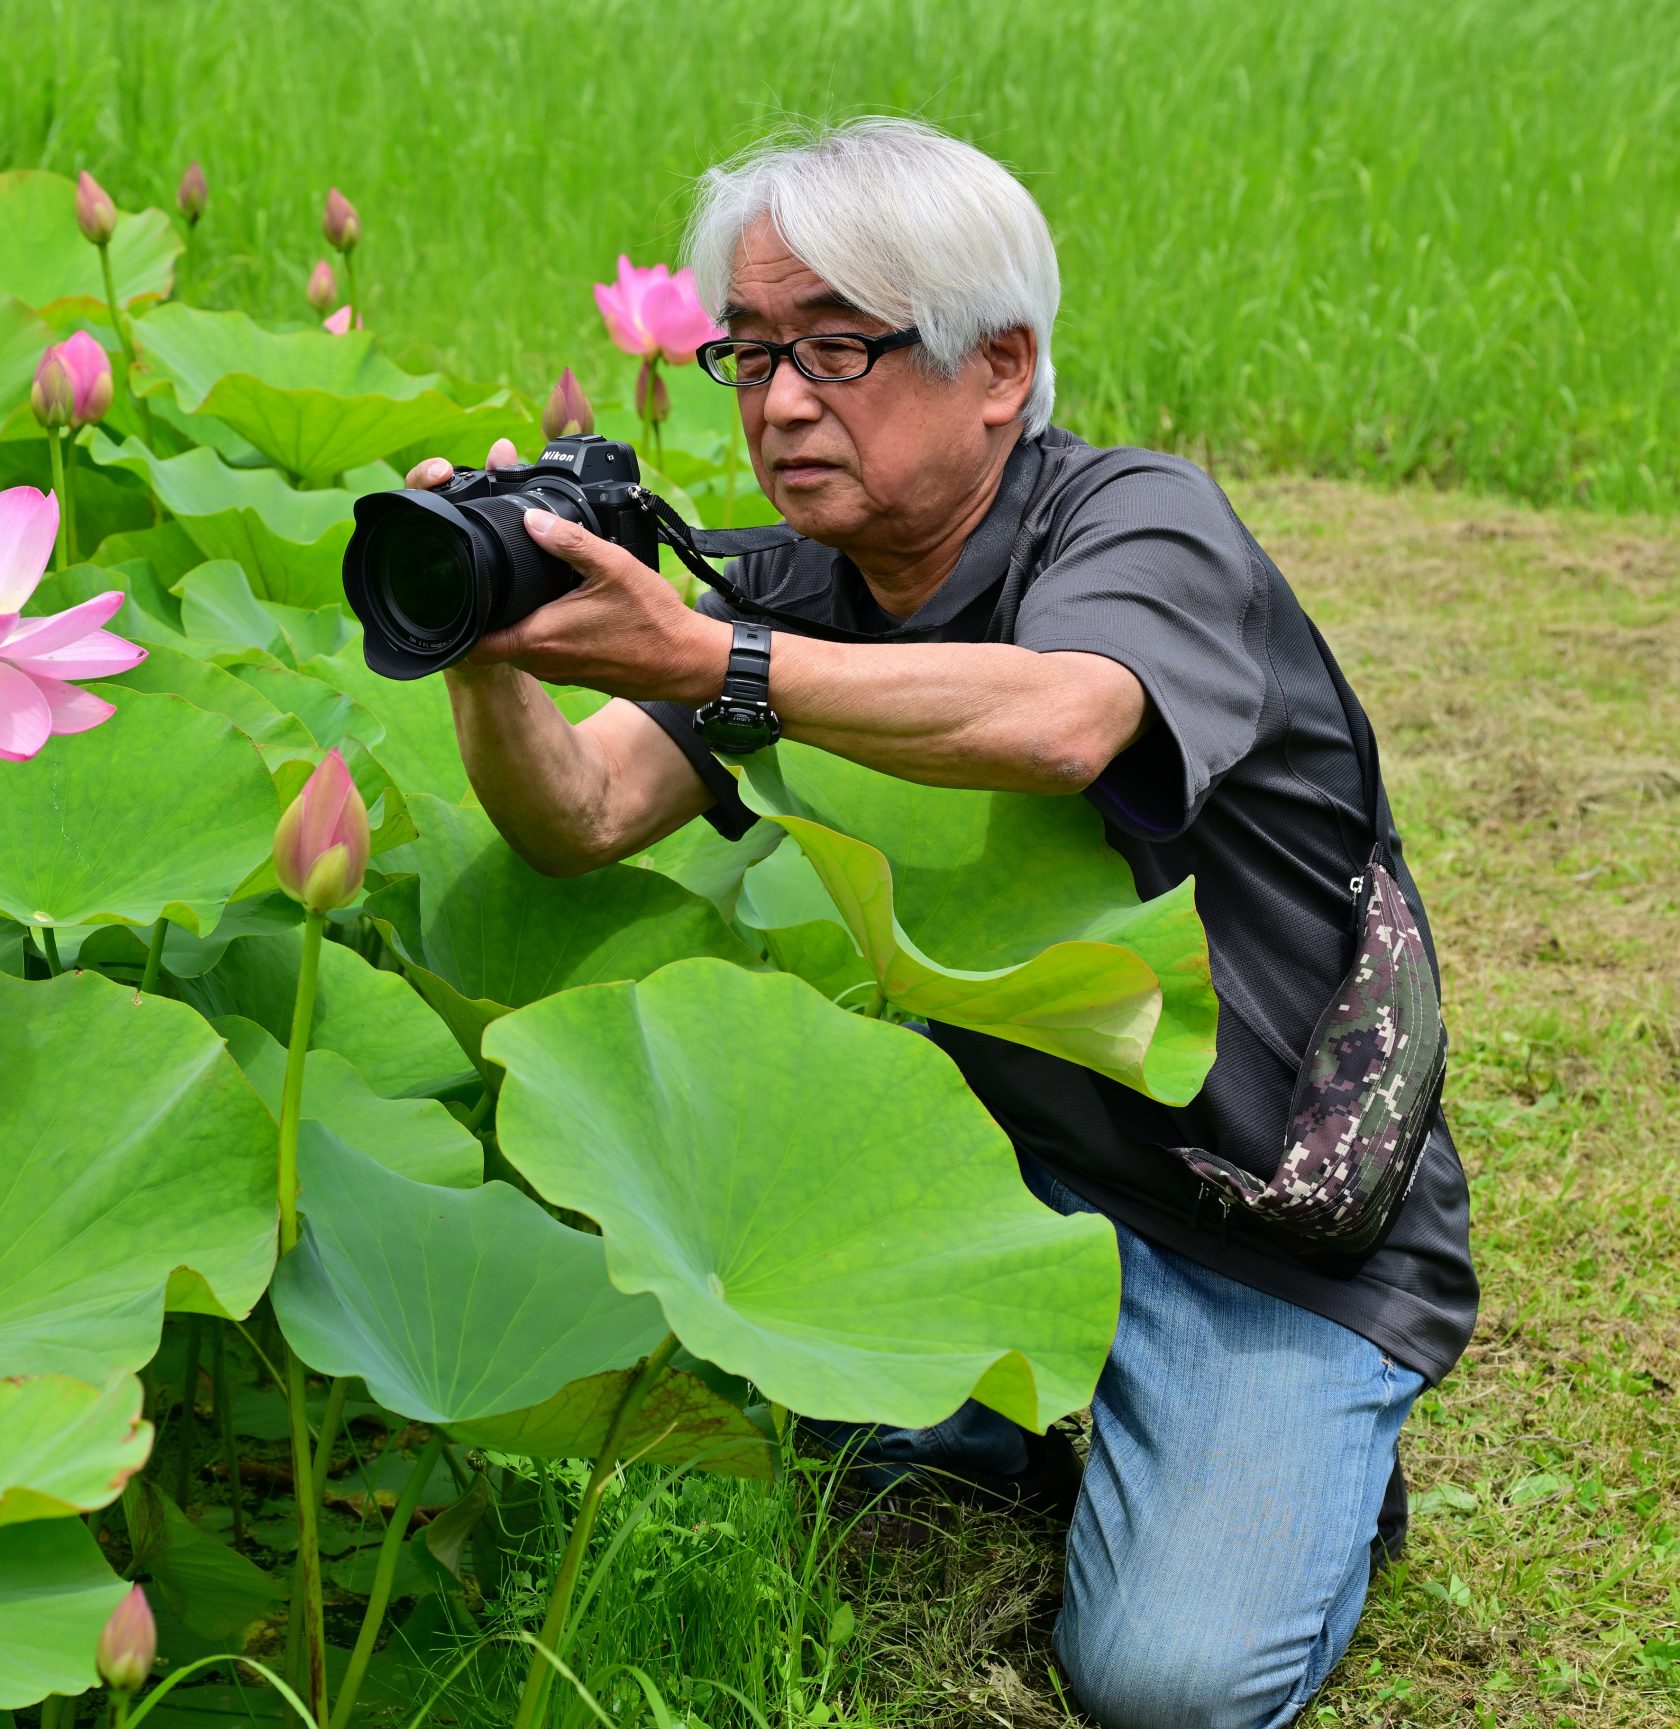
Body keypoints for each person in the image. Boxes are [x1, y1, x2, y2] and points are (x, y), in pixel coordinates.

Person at [407, 118, 1476, 1729]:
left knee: (1163, 1684)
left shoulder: (1139, 525)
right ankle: (1052, 1415)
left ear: (999, 367)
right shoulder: (799, 585)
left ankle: (1301, 1460)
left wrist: (714, 662)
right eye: (750, 351)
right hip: (1000, 1186)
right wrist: (487, 647)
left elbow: (1064, 721)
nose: (779, 402)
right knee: (698, 1352)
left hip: (1258, 1220)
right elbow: (580, 818)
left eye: (838, 347)